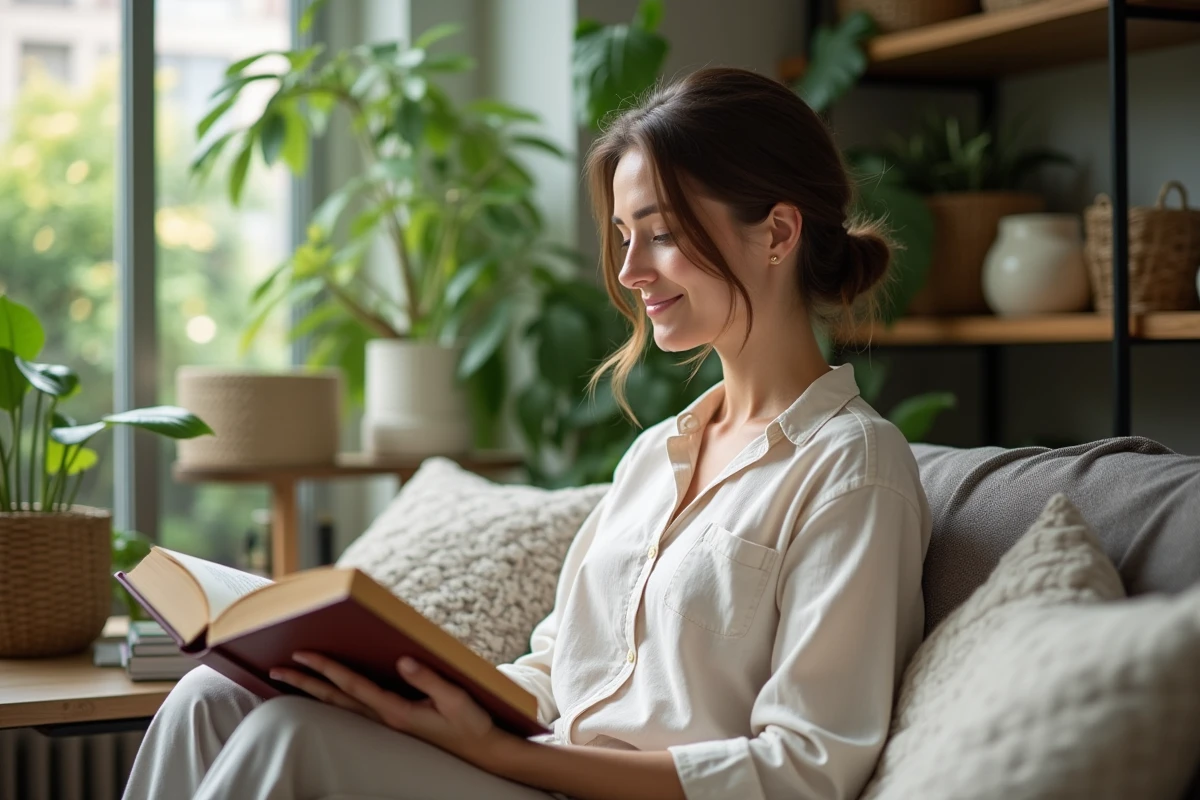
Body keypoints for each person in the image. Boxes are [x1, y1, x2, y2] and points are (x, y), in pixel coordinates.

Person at [122, 66, 931, 800]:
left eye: (660, 231)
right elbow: (560, 669)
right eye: (622, 236)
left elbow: (805, 769)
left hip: (581, 787)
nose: (628, 271)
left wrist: (511, 759)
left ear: (778, 234)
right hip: (534, 768)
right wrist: (417, 695)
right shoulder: (658, 455)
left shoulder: (853, 468)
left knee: (287, 737)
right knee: (211, 698)